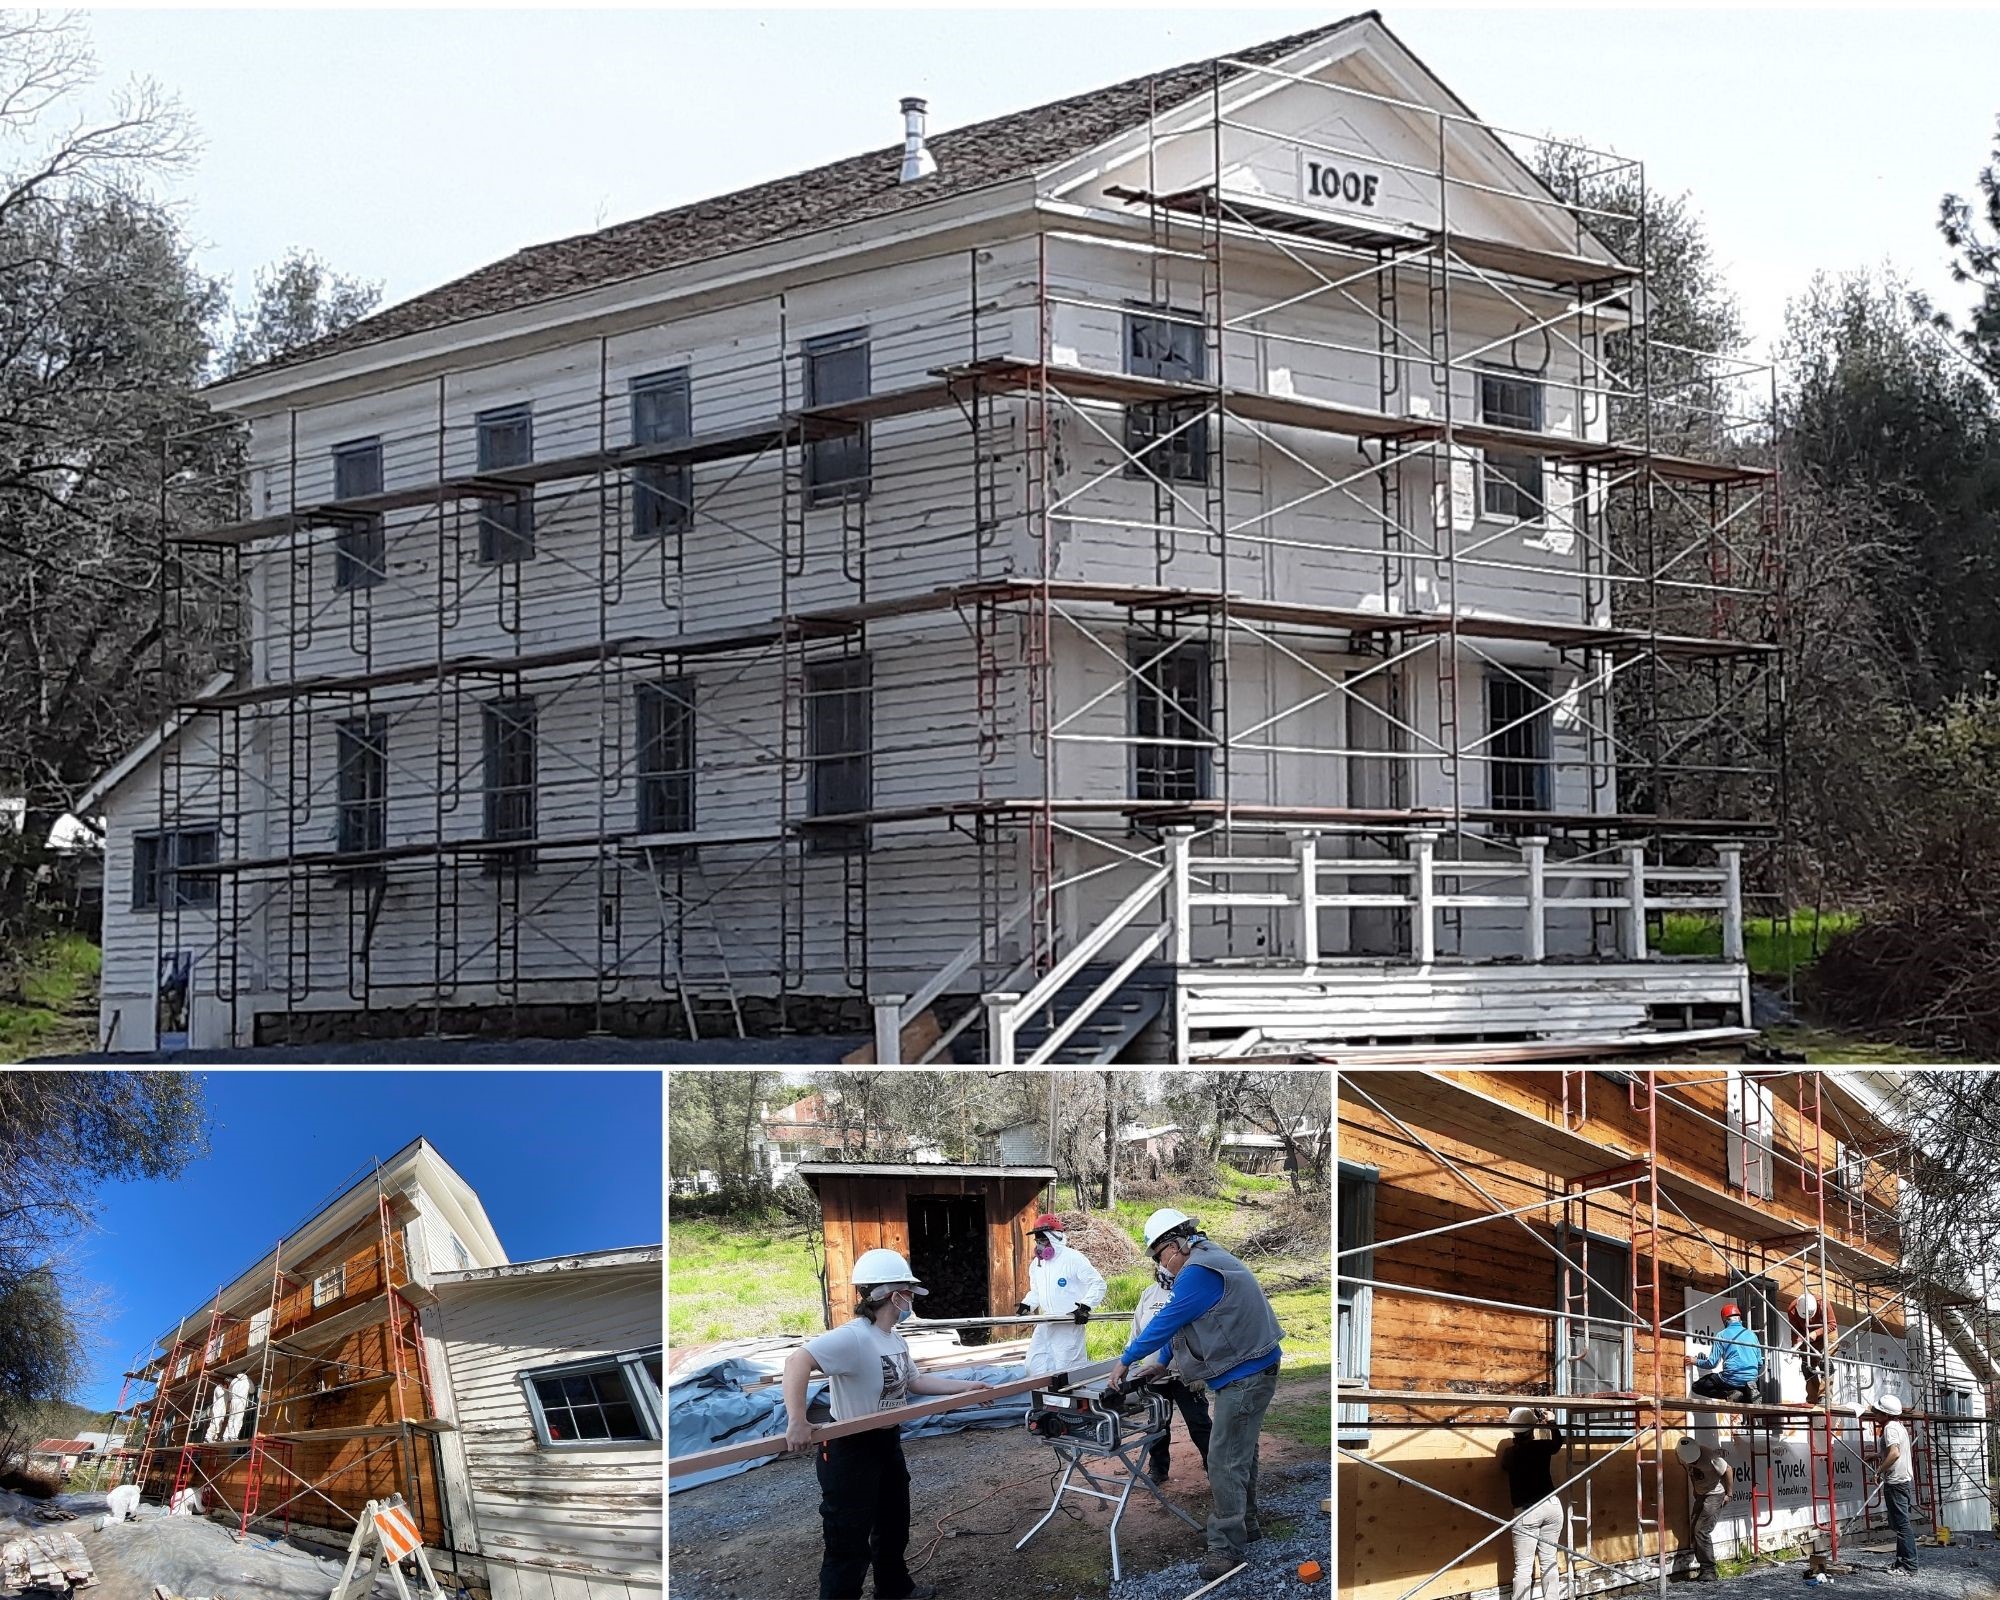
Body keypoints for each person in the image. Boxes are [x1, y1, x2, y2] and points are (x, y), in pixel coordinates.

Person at [782, 1248, 995, 1600]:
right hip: (851, 1446)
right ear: (894, 1295)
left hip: (886, 1442)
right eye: (909, 1293)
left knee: (893, 1524)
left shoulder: (894, 1338)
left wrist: (967, 1387)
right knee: (847, 1539)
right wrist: (797, 1420)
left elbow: (915, 1382)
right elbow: (796, 1361)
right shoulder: (853, 1337)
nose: (912, 1300)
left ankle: (895, 1590)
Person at [1107, 1208, 1283, 1582]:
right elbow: (1185, 1324)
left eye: (1159, 1257)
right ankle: (1247, 1525)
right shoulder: (1207, 1260)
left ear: (1173, 1246)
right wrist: (1162, 1363)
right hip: (1248, 1369)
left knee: (1222, 1458)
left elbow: (1166, 1321)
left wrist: (1126, 1361)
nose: (1161, 1265)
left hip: (1247, 1374)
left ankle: (1226, 1546)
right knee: (1239, 1451)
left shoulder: (1200, 1270)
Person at [1129, 1256, 1213, 1485]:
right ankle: (1158, 1470)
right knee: (1157, 1425)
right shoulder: (1149, 1294)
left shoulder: (1189, 1291)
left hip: (1185, 1373)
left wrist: (1201, 1371)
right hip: (1153, 1373)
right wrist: (1130, 1360)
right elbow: (1137, 1332)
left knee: (1199, 1424)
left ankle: (1216, 1471)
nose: (1165, 1267)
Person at [1018, 1213, 1106, 1378]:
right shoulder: (1037, 1265)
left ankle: (1068, 1404)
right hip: (1047, 1322)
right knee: (1034, 1364)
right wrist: (1027, 1304)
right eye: (1037, 1241)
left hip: (1069, 1323)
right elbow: (1037, 1291)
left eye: (1043, 1240)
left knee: (1067, 1370)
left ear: (1055, 1237)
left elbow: (1098, 1284)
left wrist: (1085, 1307)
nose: (1040, 1245)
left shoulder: (1073, 1259)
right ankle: (1046, 1401)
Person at [1501, 1407, 1565, 1600]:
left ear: (1513, 1432)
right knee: (1549, 1560)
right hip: (1552, 1506)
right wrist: (1551, 1422)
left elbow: (1505, 1467)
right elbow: (1557, 1443)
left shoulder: (1510, 1454)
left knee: (1523, 1566)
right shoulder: (1540, 1447)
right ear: (1531, 1429)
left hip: (1527, 1511)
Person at [1869, 1394, 1919, 1574]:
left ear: (1885, 1414)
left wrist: (1879, 1470)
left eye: (1878, 1412)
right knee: (1899, 1524)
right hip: (1902, 1480)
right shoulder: (1898, 1427)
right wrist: (1877, 1455)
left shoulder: (1890, 1428)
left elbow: (1895, 1453)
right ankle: (1901, 1562)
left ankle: (1909, 1565)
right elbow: (1894, 1451)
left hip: (1896, 1482)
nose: (1875, 1415)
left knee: (1902, 1525)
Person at [1675, 1435, 1733, 1583]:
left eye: (1695, 1460)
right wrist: (1696, 1489)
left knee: (1701, 1530)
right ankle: (1704, 1569)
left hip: (1714, 1494)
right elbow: (1689, 1471)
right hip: (1701, 1495)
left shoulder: (1709, 1456)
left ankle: (1709, 1571)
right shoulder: (1681, 1455)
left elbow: (1728, 1470)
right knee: (1694, 1528)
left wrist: (1729, 1493)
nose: (1693, 1463)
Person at [1691, 1302, 1763, 1405]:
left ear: (1725, 1320)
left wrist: (1696, 1361)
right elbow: (1759, 1362)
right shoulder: (1752, 1335)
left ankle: (1728, 1394)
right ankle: (1750, 1392)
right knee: (1744, 1394)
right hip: (1751, 1378)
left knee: (1698, 1386)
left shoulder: (1721, 1335)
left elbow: (1712, 1363)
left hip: (1730, 1379)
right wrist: (1748, 1375)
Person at [1786, 1292, 1835, 1406]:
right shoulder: (1792, 1309)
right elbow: (1795, 1330)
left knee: (1826, 1363)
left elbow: (1832, 1324)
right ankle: (1813, 1397)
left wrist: (1816, 1333)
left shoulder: (1823, 1303)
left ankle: (1824, 1396)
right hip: (1806, 1335)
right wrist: (1795, 1345)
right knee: (1806, 1365)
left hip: (1828, 1333)